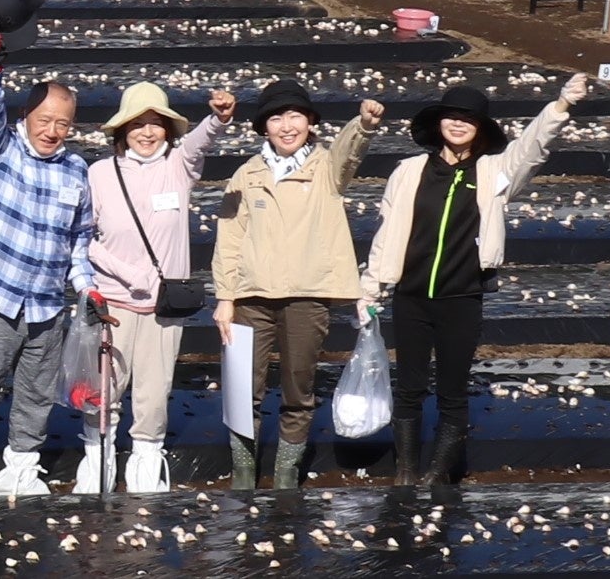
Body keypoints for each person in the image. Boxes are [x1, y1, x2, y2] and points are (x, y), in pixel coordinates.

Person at [367, 75, 586, 486]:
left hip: (461, 298)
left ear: (480, 129)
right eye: (451, 116)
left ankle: (437, 476)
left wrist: (560, 106)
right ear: (438, 124)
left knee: (452, 391)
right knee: (409, 387)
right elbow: (386, 232)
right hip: (410, 296)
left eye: (468, 119)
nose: (458, 124)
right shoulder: (409, 171)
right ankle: (406, 472)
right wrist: (370, 288)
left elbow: (531, 149)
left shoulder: (493, 172)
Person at [212, 80, 380, 490]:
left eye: (294, 116)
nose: (286, 126)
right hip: (252, 296)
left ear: (309, 122)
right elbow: (230, 239)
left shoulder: (326, 167)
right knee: (242, 388)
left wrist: (363, 126)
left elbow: (349, 153)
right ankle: (244, 473)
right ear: (264, 127)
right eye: (276, 118)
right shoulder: (247, 173)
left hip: (307, 295)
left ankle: (286, 475)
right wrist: (225, 297)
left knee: (298, 387)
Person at [0, 42, 92, 501]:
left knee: (36, 392)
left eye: (62, 123)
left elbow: (80, 238)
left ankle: (22, 467)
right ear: (26, 116)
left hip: (47, 303)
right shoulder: (1, 148)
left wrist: (86, 288)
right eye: (44, 120)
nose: (52, 130)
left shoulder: (76, 169)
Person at [81, 82, 227, 496]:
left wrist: (218, 119)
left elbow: (200, 142)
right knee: (105, 387)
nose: (147, 133)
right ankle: (98, 457)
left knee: (155, 389)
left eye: (156, 124)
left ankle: (146, 458)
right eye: (137, 124)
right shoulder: (100, 173)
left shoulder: (178, 166)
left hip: (165, 305)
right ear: (121, 130)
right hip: (113, 301)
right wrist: (128, 274)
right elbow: (83, 238)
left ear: (168, 129)